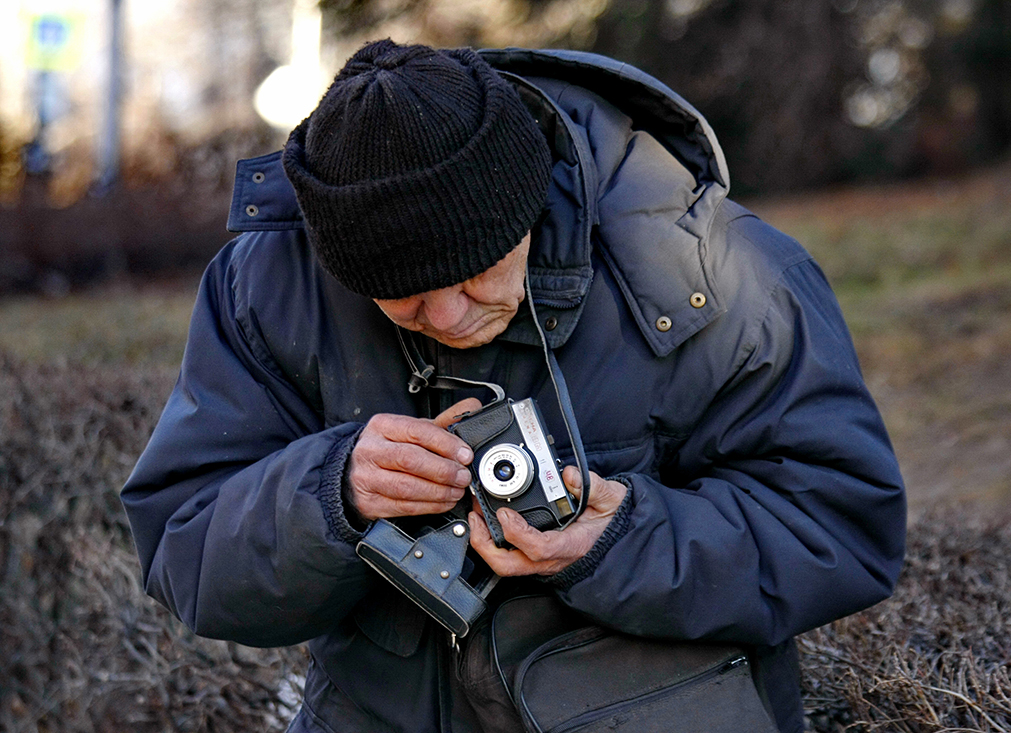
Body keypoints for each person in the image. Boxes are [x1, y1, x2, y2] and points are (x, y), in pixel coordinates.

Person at [122, 40, 906, 733]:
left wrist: (627, 540)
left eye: (474, 273)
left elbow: (842, 524)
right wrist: (331, 492)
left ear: (525, 205)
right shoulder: (270, 286)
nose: (451, 315)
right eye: (405, 299)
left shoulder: (718, 274)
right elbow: (185, 547)